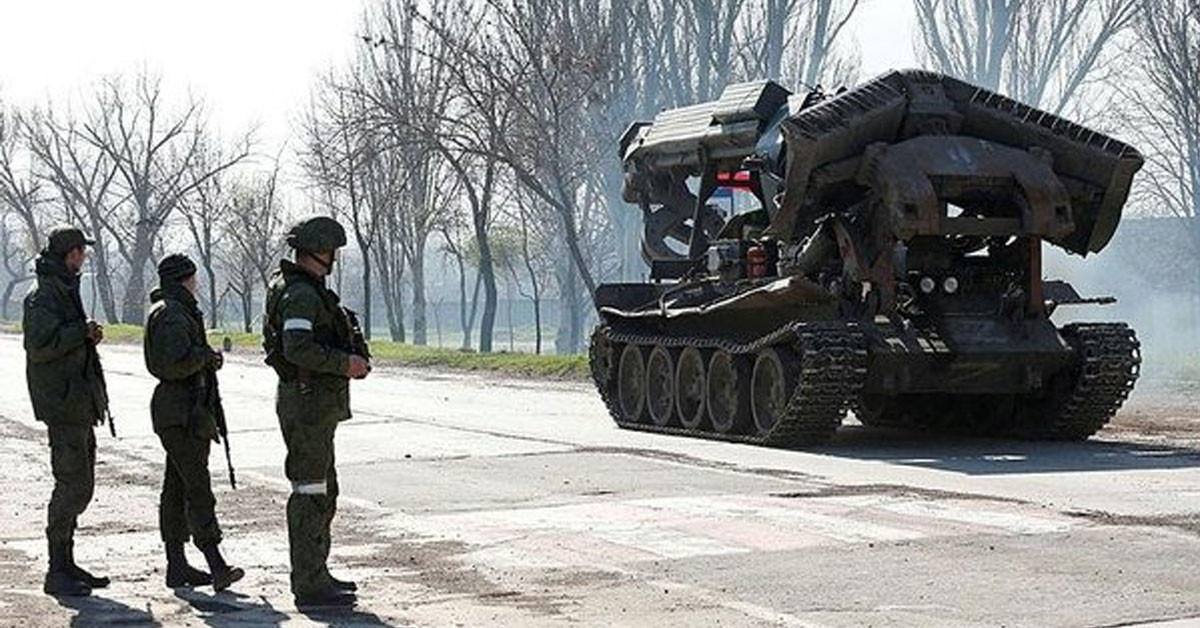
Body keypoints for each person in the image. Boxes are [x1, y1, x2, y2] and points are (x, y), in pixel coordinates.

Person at [263, 216, 370, 609]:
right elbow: (297, 348)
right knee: (310, 492)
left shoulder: (301, 288)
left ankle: (316, 572)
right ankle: (308, 584)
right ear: (320, 251)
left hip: (313, 403)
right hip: (307, 403)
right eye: (332, 251)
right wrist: (345, 364)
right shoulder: (302, 295)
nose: (335, 258)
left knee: (323, 489)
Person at [144, 253, 244, 592]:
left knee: (176, 489)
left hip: (184, 411)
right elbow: (172, 365)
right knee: (198, 489)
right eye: (193, 278)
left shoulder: (174, 310)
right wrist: (207, 357)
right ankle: (216, 563)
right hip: (181, 412)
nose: (196, 285)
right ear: (186, 279)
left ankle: (178, 566)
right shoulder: (172, 314)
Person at [23, 226, 110, 597]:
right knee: (72, 484)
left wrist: (86, 334)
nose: (84, 257)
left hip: (75, 402)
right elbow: (40, 346)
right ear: (69, 254)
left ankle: (66, 562)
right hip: (62, 404)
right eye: (81, 252)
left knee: (81, 484)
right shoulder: (44, 295)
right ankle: (56, 569)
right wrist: (81, 332)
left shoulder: (62, 288)